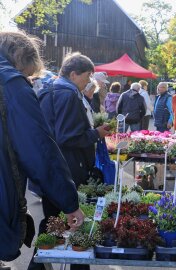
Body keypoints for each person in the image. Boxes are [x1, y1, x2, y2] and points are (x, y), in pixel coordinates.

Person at [0, 31, 84, 267]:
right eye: (27, 72)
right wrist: (70, 203)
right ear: (18, 56)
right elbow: (38, 150)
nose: (26, 78)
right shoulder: (10, 83)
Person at [34, 53, 111, 270]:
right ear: (73, 73)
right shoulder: (67, 94)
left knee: (52, 221)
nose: (89, 82)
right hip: (67, 167)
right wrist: (95, 134)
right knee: (73, 222)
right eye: (87, 76)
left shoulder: (50, 89)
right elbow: (67, 136)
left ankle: (39, 264)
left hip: (52, 166)